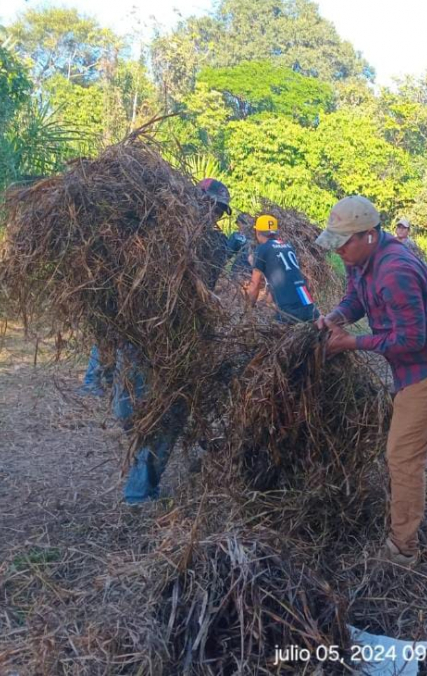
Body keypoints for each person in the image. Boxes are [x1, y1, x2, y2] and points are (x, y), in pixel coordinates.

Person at [315, 196, 427, 567]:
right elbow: (355, 300)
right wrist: (336, 317)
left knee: (401, 456)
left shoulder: (394, 270)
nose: (338, 251)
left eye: (344, 242)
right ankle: (404, 521)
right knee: (403, 451)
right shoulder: (360, 260)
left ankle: (403, 549)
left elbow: (411, 340)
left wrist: (352, 343)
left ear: (369, 235)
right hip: (413, 368)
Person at [120, 178, 231, 504]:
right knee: (127, 411)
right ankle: (143, 458)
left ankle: (140, 492)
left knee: (168, 417)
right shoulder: (153, 232)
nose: (211, 214)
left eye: (218, 210)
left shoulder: (215, 244)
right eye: (206, 204)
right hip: (139, 332)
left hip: (185, 341)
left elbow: (199, 287)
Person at [245, 214, 319, 322]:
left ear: (257, 232)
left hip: (290, 311)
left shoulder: (262, 249)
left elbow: (255, 285)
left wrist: (247, 311)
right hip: (310, 308)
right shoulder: (288, 246)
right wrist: (265, 304)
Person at [227, 212, 254, 283]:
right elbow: (228, 253)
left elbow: (228, 253)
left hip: (243, 271)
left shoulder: (238, 237)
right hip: (241, 271)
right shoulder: (237, 236)